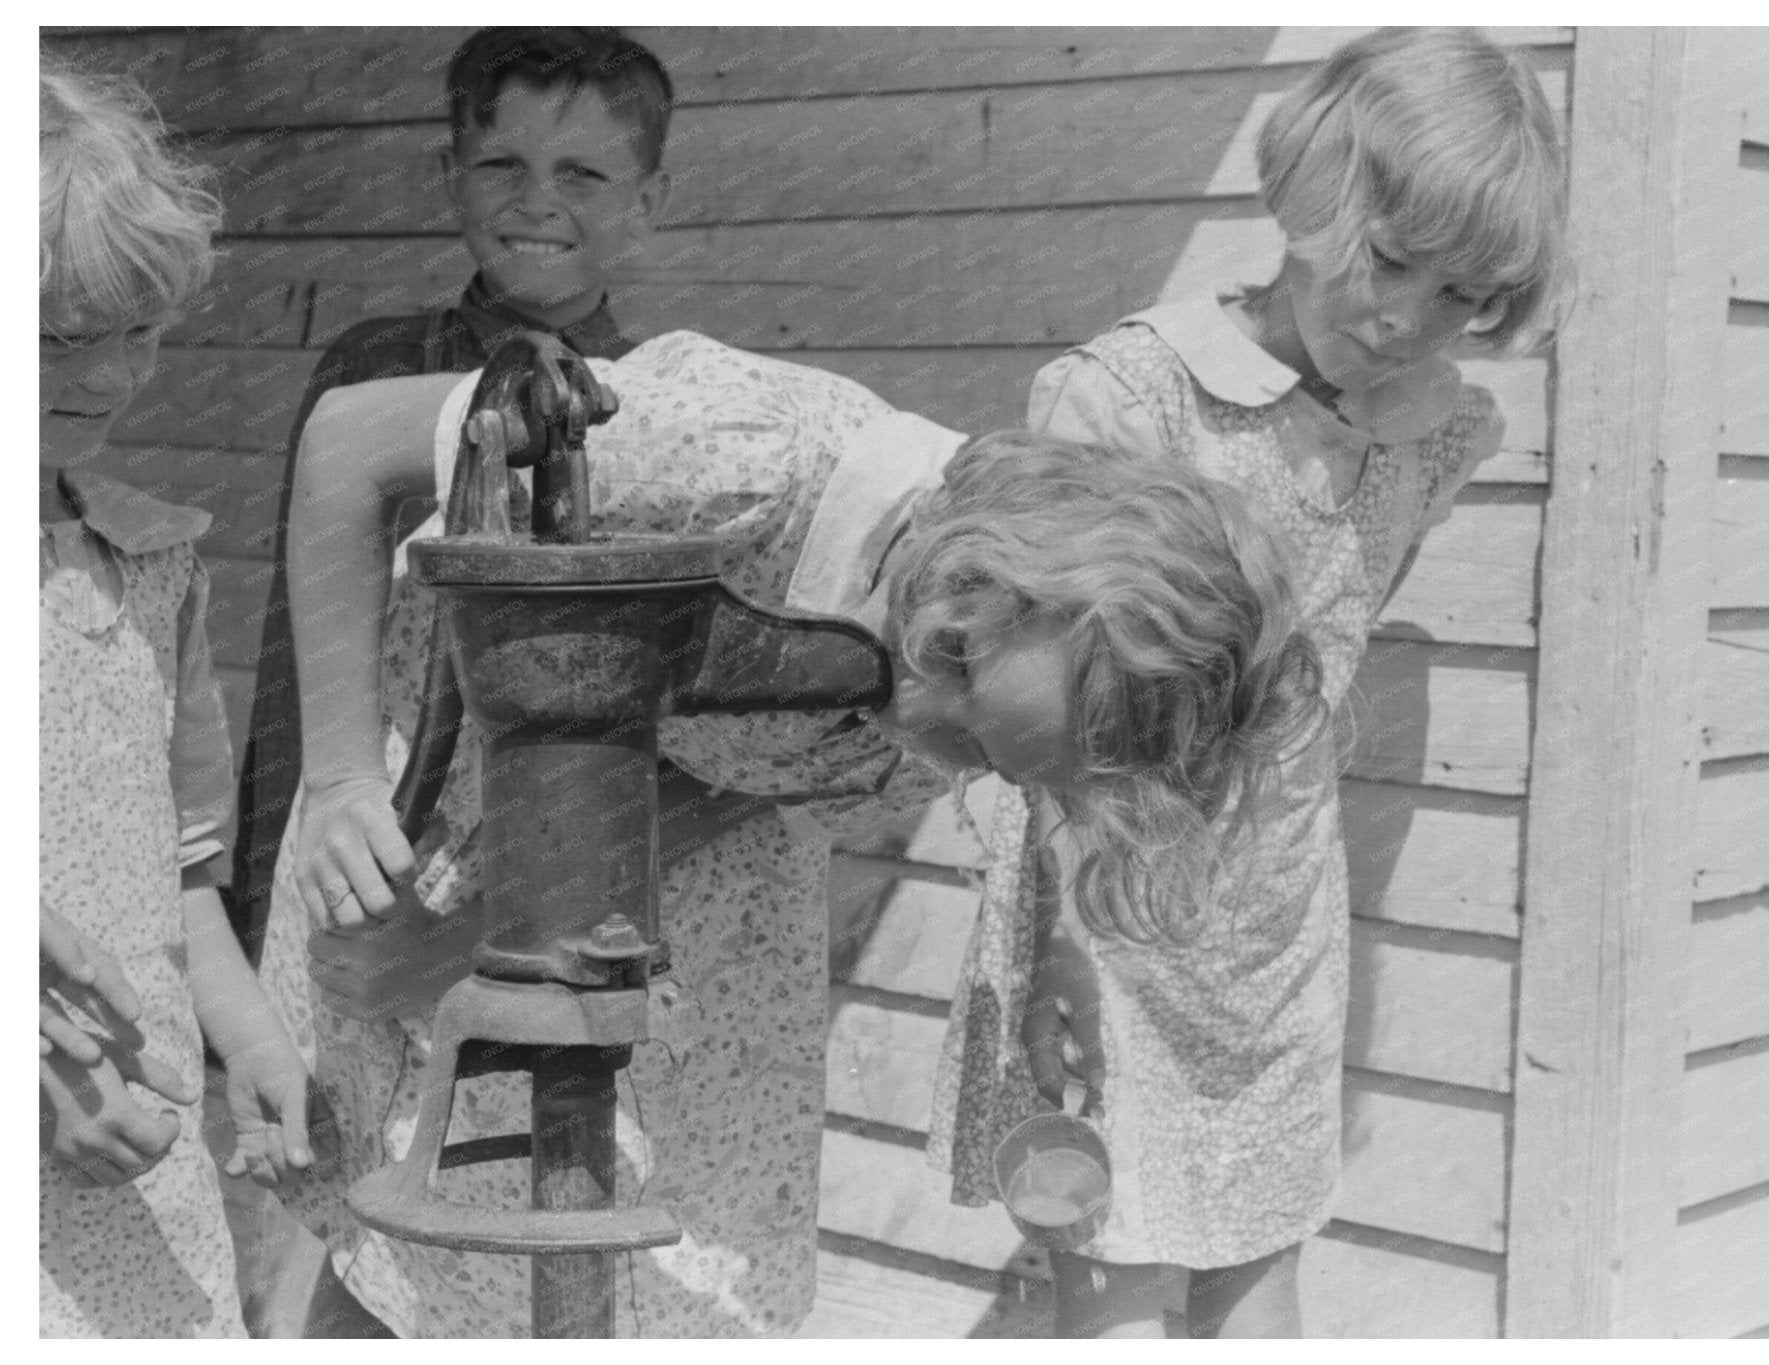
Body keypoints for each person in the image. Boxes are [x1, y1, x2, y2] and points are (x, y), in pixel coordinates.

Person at [257, 329, 1324, 1337]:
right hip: (443, 816)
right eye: (949, 662)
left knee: (661, 1289)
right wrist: (347, 780)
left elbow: (755, 788)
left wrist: (1055, 945)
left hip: (669, 907)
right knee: (420, 1246)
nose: (919, 725)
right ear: (985, 568)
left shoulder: (999, 665)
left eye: (987, 758)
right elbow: (345, 443)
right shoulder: (741, 456)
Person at [926, 27, 1571, 1337]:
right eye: (1389, 261)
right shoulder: (1137, 400)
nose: (1407, 318)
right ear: (1308, 199)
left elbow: (1322, 648)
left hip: (1275, 906)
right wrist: (1064, 940)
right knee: (1107, 1258)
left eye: (1457, 297)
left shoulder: (1435, 430)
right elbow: (1048, 709)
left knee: (1259, 1250)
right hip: (1099, 885)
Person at [232, 26, 674, 962]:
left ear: (648, 204)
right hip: (372, 837)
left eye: (584, 175)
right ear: (452, 174)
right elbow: (292, 655)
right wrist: (257, 883)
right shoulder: (371, 371)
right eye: (502, 163)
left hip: (568, 853)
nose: (538, 200)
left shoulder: (666, 403)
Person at [38, 52, 315, 1338]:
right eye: (52, 339)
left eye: (139, 332)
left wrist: (248, 1038)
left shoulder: (148, 565)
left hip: (128, 1163)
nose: (106, 377)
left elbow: (179, 864)